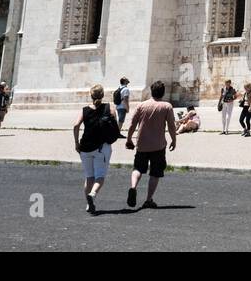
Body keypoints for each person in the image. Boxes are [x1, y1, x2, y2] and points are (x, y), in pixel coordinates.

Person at [124, 80, 177, 209]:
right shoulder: (167, 106)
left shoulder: (141, 105)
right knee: (155, 173)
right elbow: (171, 126)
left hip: (142, 144)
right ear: (163, 93)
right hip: (158, 145)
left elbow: (132, 124)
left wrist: (129, 139)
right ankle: (148, 199)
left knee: (137, 168)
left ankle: (133, 187)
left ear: (151, 92)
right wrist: (174, 140)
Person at [73, 84, 119, 214]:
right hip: (101, 147)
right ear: (103, 95)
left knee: (89, 177)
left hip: (85, 148)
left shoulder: (84, 110)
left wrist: (76, 143)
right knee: (100, 176)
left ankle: (89, 205)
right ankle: (92, 194)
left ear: (91, 95)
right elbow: (115, 126)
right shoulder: (109, 108)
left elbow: (76, 125)